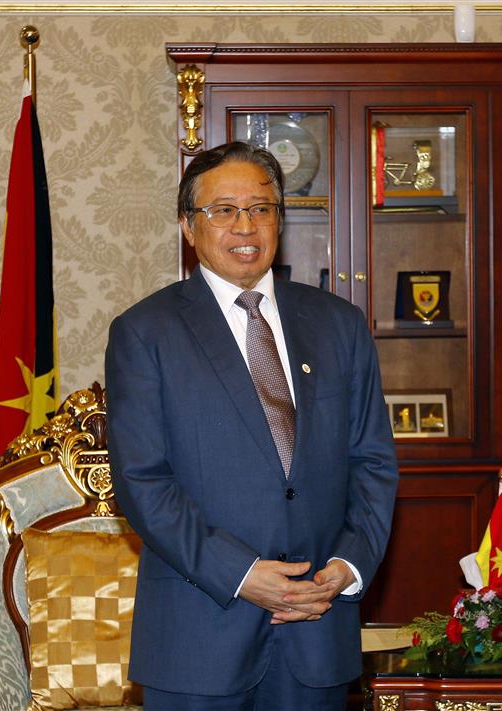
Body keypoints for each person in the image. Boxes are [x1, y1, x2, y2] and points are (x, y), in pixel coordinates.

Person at [106, 141, 399, 710]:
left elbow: (372, 462)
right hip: (199, 634)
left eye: (261, 208)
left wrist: (347, 566)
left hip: (317, 627)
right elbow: (143, 482)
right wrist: (241, 574)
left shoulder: (340, 324)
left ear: (279, 221)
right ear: (188, 226)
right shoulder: (145, 332)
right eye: (223, 210)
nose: (245, 225)